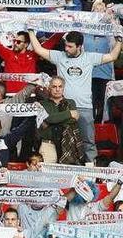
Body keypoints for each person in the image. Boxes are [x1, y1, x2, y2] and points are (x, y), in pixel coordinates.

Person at [28, 30, 123, 164]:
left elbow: (113, 56)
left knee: (88, 142)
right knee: (62, 141)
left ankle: (91, 172)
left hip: (85, 108)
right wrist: (31, 31)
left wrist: (119, 40)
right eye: (66, 45)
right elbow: (38, 49)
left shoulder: (90, 58)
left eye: (70, 46)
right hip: (63, 108)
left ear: (79, 46)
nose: (66, 49)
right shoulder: (59, 56)